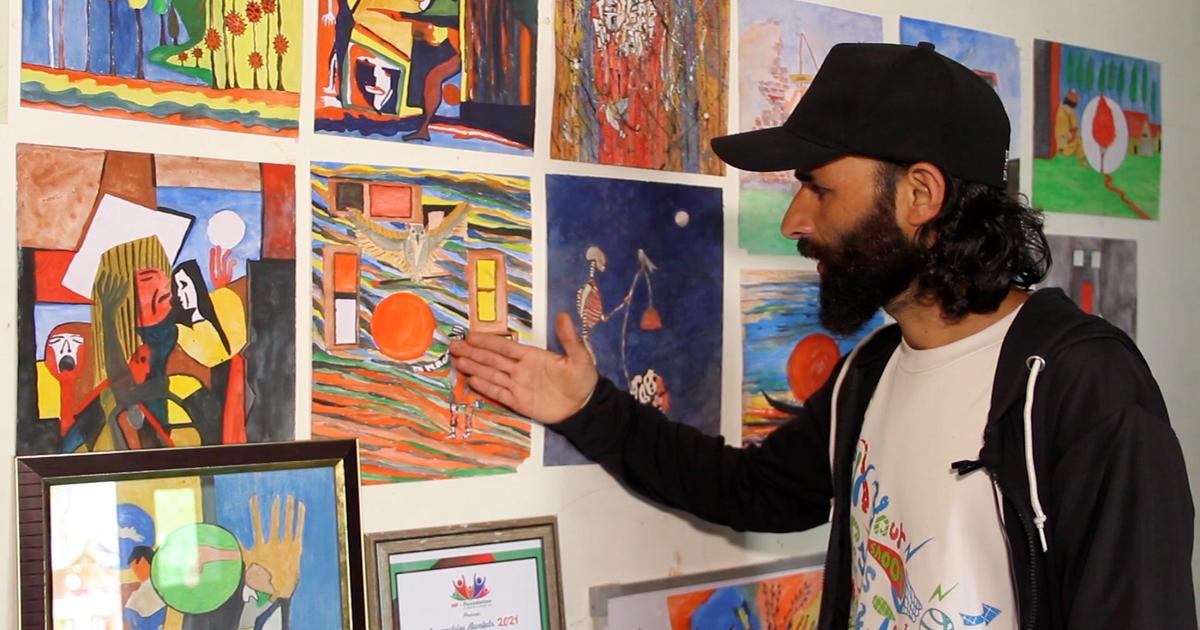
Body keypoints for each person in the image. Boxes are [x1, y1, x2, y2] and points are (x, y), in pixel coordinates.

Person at [448, 42, 1195, 628]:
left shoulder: (1080, 389)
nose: (795, 223)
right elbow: (753, 491)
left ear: (921, 194)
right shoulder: (872, 371)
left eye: (818, 188)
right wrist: (586, 407)